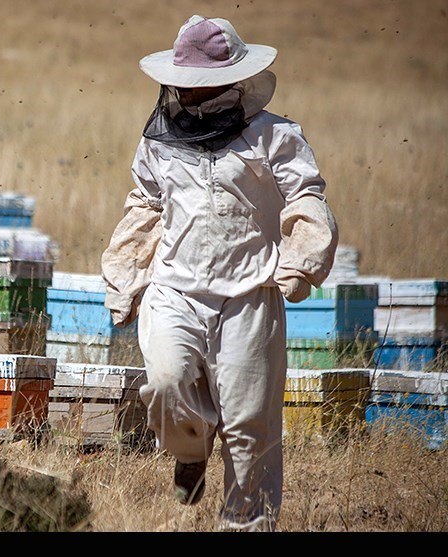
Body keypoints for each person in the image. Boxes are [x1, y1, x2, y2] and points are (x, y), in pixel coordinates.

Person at [101, 15, 338, 531]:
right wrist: (125, 279)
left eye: (203, 86)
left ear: (233, 82)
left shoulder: (275, 136)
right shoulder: (158, 143)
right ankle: (189, 450)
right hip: (174, 290)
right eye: (185, 87)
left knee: (251, 426)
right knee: (166, 382)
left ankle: (246, 526)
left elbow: (305, 197)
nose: (192, 96)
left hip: (250, 293)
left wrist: (301, 261)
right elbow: (145, 206)